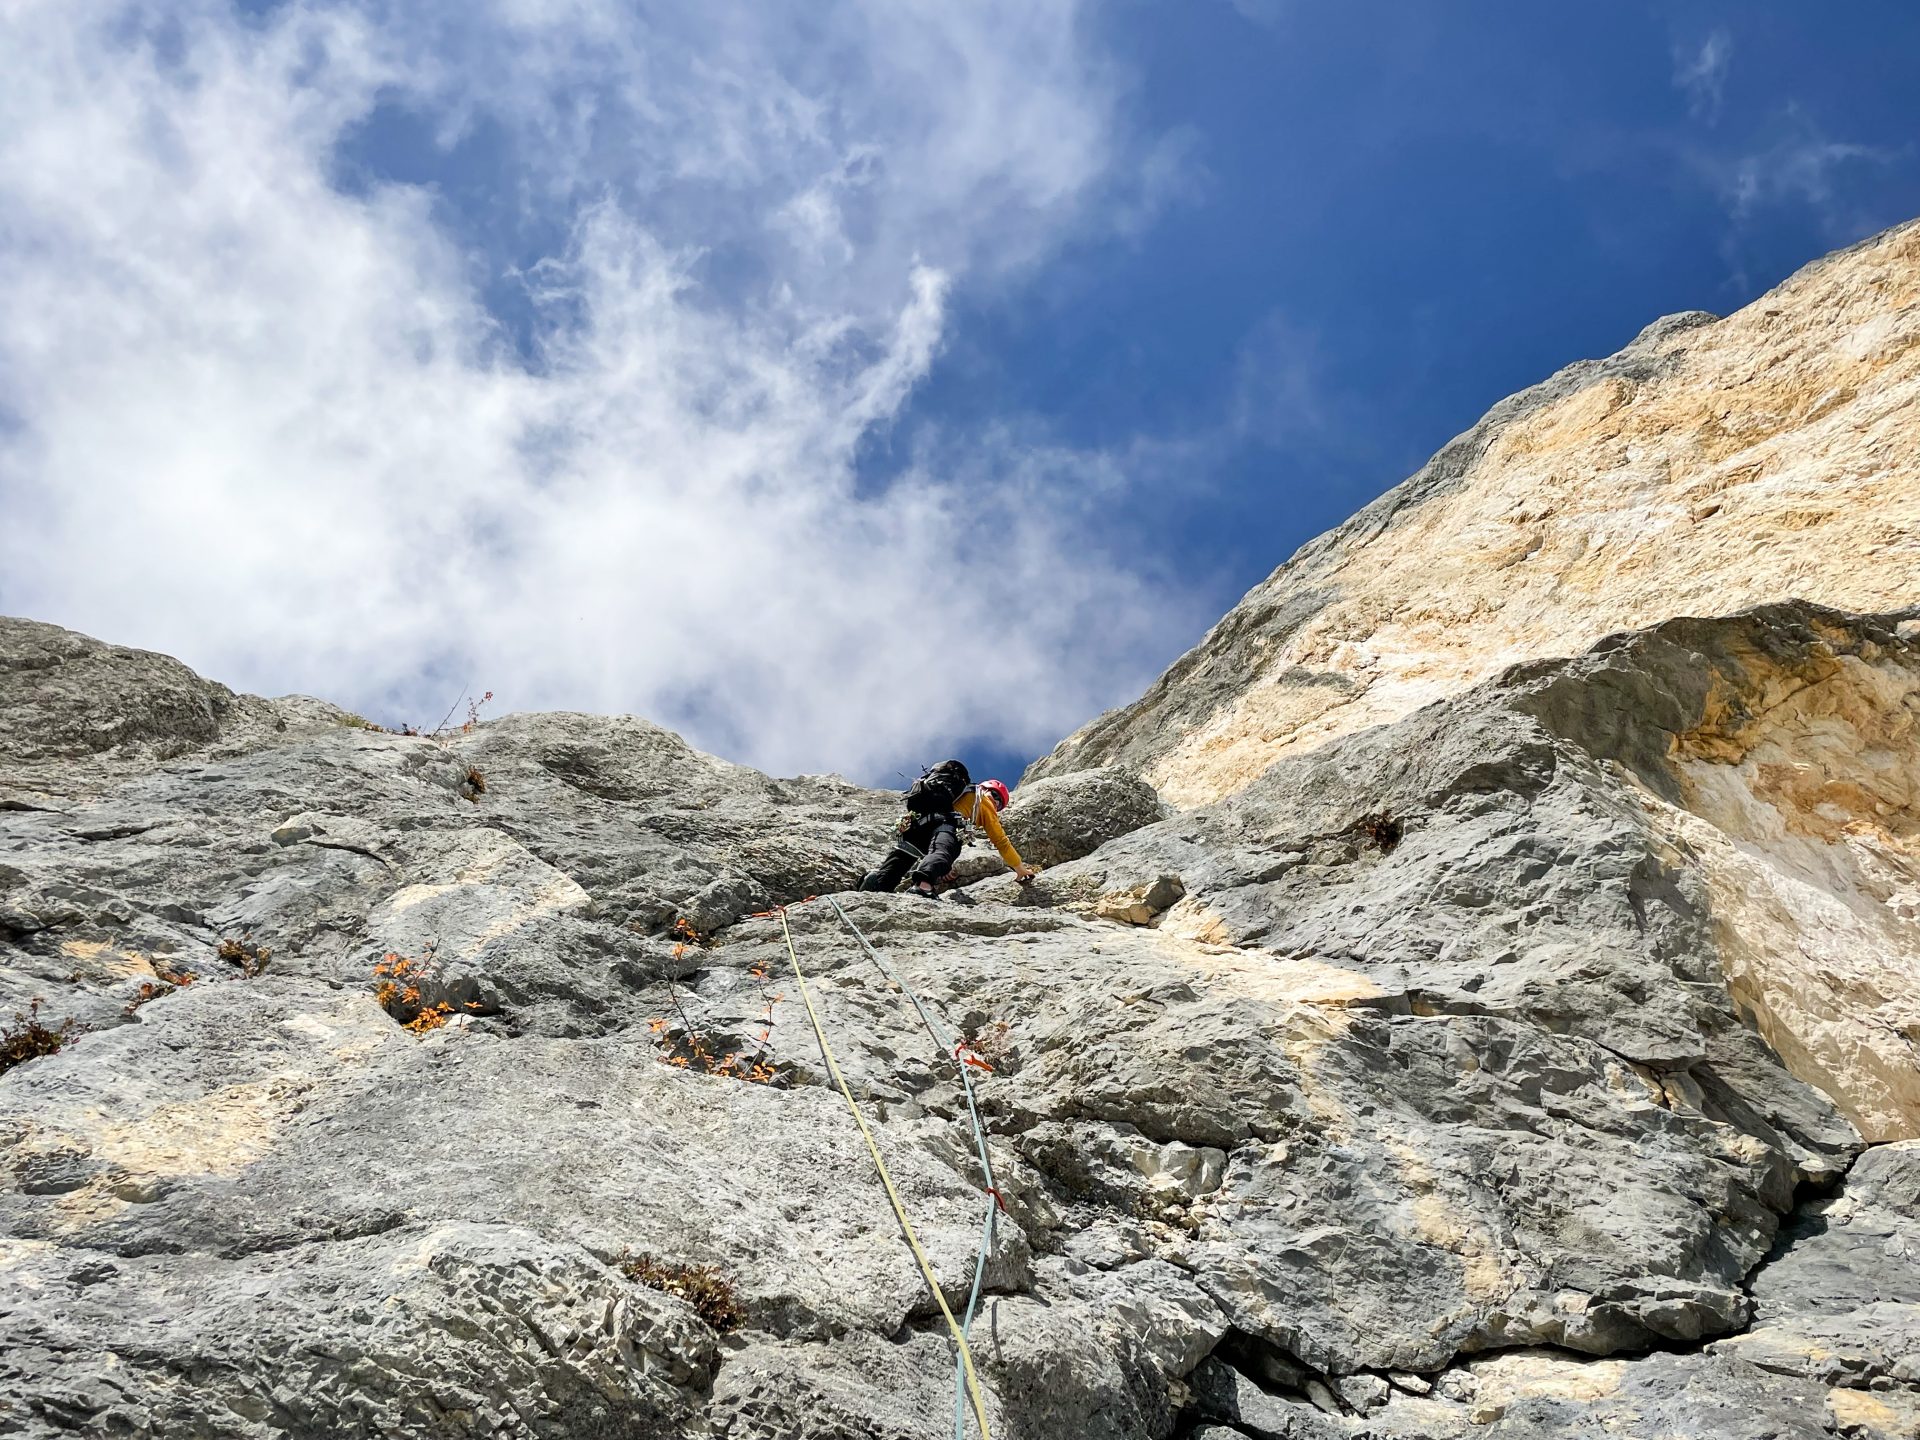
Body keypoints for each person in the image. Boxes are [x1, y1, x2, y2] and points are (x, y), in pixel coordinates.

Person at [859, 761, 1038, 897]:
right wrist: (1020, 868)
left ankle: (878, 883)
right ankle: (923, 887)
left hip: (917, 824)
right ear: (997, 799)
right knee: (944, 851)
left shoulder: (959, 791)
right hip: (944, 824)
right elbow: (1000, 841)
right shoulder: (984, 802)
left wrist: (944, 869)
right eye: (999, 805)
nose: (996, 807)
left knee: (904, 857)